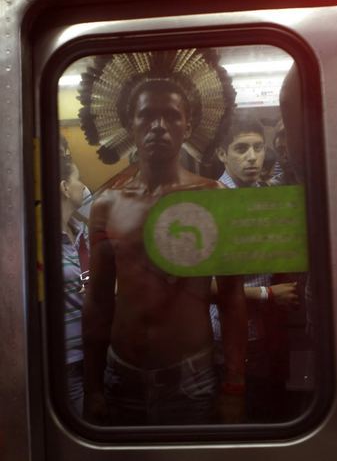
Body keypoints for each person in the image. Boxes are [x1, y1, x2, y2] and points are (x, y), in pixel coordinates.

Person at [80, 50, 247, 426]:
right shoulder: (106, 205)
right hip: (120, 376)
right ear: (130, 124)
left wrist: (235, 386)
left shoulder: (215, 197)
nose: (159, 125)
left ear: (187, 126)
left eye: (171, 116)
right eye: (146, 115)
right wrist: (92, 387)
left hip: (190, 378)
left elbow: (233, 296)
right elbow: (99, 301)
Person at [214, 118, 298, 421]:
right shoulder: (211, 201)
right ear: (222, 154)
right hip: (227, 339)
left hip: (269, 334)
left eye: (258, 148)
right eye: (241, 149)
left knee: (271, 416)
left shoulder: (268, 197)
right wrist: (267, 294)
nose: (252, 156)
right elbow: (199, 285)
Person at [59, 144, 89, 415]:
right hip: (63, 360)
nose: (83, 186)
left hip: (88, 352)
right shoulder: (40, 239)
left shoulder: (79, 232)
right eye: (78, 179)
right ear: (65, 188)